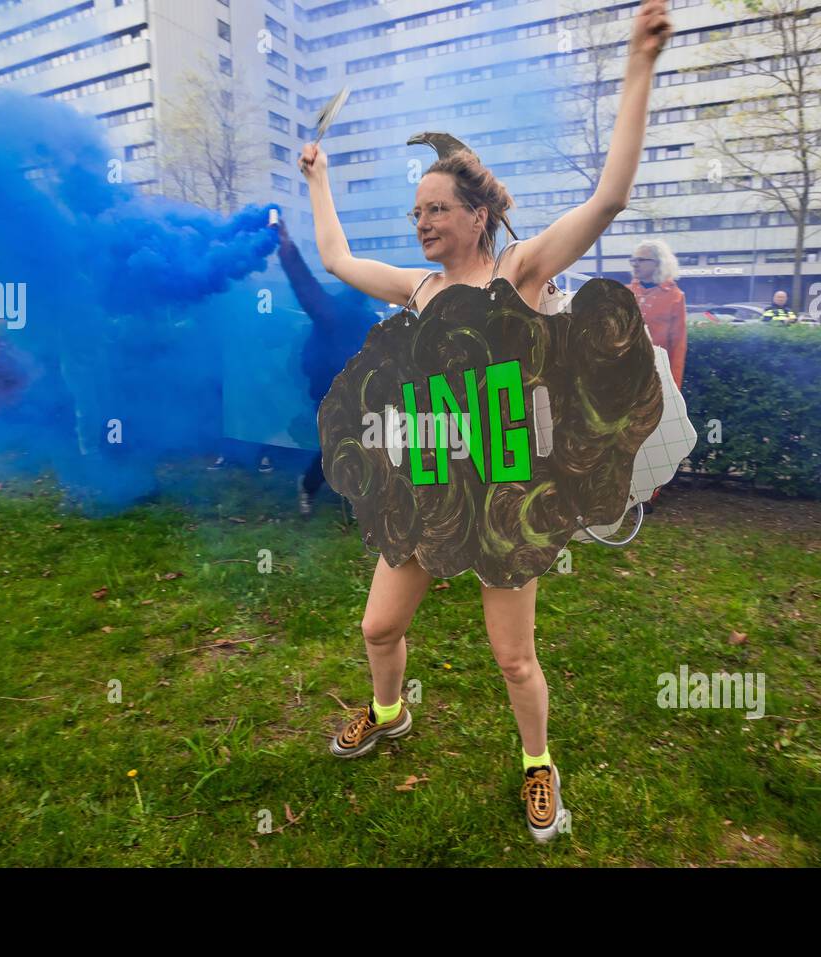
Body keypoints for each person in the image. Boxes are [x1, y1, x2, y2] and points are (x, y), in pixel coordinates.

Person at [297, 0, 673, 843]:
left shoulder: (521, 269)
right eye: (416, 212)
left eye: (436, 208)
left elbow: (610, 197)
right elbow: (335, 258)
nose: (421, 221)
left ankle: (539, 766)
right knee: (378, 624)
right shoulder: (418, 288)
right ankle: (389, 710)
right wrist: (317, 180)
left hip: (505, 493)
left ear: (475, 212)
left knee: (513, 658)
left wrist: (638, 68)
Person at [273, 218, 377, 516]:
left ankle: (359, 498)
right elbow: (307, 291)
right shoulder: (332, 316)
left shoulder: (369, 321)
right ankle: (307, 486)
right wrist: (287, 250)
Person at [626, 239, 686, 512]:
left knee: (653, 437)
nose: (635, 265)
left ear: (657, 263)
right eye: (634, 260)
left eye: (641, 260)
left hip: (657, 379)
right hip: (624, 378)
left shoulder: (675, 297)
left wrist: (672, 384)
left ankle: (648, 495)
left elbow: (678, 344)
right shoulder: (626, 293)